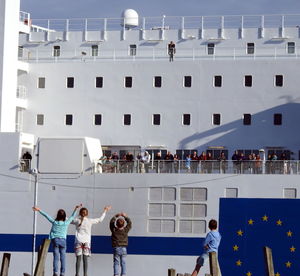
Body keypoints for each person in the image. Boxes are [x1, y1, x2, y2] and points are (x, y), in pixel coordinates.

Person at [32, 204, 82, 276]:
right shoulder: (66, 222)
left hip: (55, 241)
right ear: (64, 216)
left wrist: (39, 210)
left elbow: (46, 216)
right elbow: (72, 216)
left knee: (56, 257)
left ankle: (55, 272)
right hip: (63, 241)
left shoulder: (54, 222)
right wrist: (76, 209)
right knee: (63, 258)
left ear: (57, 215)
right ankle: (62, 273)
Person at [72, 205, 112, 276]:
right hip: (87, 241)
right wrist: (105, 210)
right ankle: (85, 274)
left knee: (78, 259)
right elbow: (100, 220)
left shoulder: (76, 221)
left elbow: (69, 219)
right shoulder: (90, 221)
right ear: (87, 214)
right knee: (85, 259)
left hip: (78, 241)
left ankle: (77, 274)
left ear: (80, 213)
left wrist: (75, 209)